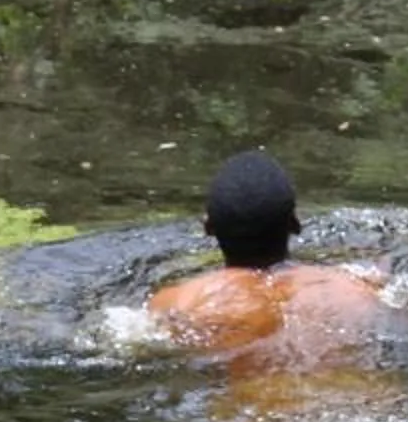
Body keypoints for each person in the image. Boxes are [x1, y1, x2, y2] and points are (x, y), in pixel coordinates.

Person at [147, 148, 388, 370]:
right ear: (295, 224)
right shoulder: (358, 288)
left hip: (254, 409)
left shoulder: (178, 303)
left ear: (208, 227)